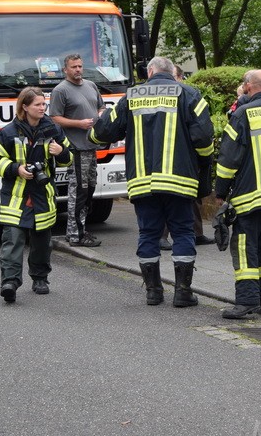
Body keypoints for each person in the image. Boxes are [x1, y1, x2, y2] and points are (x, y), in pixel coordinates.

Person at [90, 56, 214, 307]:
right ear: (173, 73)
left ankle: (153, 292)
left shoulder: (132, 97)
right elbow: (204, 140)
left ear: (150, 72)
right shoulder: (190, 95)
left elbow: (100, 134)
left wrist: (100, 121)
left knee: (148, 234)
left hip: (142, 182)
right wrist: (201, 167)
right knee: (182, 232)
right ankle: (182, 292)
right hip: (179, 182)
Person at [214, 70, 261, 318]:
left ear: (248, 87)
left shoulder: (242, 114)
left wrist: (220, 191)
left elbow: (228, 158)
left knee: (245, 247)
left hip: (248, 196)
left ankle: (246, 301)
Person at [0, 87, 72, 303]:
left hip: (43, 195)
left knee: (42, 240)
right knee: (13, 239)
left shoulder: (53, 129)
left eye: (44, 104)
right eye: (38, 104)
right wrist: (17, 169)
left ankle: (40, 278)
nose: (43, 108)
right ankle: (10, 282)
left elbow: (69, 158)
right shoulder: (7, 132)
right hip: (16, 196)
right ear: (25, 107)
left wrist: (60, 152)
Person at [50, 54, 105, 248]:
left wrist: (99, 117)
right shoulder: (60, 90)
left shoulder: (91, 85)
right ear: (66, 69)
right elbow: (54, 118)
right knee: (78, 192)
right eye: (74, 67)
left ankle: (81, 228)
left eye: (80, 66)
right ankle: (75, 234)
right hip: (76, 148)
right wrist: (78, 124)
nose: (78, 70)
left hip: (92, 146)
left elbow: (100, 107)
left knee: (89, 189)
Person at [158, 64, 214, 251]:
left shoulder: (187, 95)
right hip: (172, 156)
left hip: (188, 154)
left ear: (180, 77)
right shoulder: (173, 96)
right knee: (171, 195)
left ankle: (197, 233)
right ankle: (162, 236)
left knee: (193, 197)